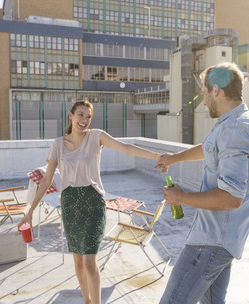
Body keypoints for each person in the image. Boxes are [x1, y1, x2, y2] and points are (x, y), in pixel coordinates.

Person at [17, 100, 160, 304]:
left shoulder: (96, 137)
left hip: (93, 203)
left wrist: (157, 156)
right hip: (70, 205)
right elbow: (47, 179)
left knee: (90, 262)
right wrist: (30, 211)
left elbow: (126, 147)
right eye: (80, 115)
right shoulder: (58, 144)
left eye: (88, 116)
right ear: (71, 116)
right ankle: (86, 300)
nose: (84, 120)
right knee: (78, 262)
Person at [155, 62, 249, 304]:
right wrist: (175, 158)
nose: (203, 101)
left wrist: (181, 197)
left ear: (217, 90)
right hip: (220, 242)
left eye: (204, 93)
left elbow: (232, 197)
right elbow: (208, 148)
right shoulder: (235, 123)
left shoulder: (237, 129)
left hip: (210, 244)